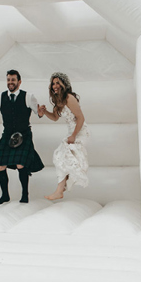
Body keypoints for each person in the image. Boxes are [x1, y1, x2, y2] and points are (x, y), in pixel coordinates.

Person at [0, 69, 45, 204]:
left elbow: (38, 113)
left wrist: (41, 112)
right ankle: (5, 195)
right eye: (8, 80)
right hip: (7, 135)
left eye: (13, 80)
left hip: (24, 134)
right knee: (0, 165)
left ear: (19, 81)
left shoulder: (28, 97)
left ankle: (25, 195)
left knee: (20, 164)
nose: (10, 82)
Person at [38, 72, 90, 200]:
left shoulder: (68, 98)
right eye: (53, 83)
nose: (55, 85)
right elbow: (55, 117)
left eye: (57, 83)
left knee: (63, 155)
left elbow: (81, 118)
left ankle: (59, 190)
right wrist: (44, 112)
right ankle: (60, 190)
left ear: (63, 84)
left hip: (80, 132)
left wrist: (73, 135)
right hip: (71, 133)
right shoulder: (58, 101)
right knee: (59, 156)